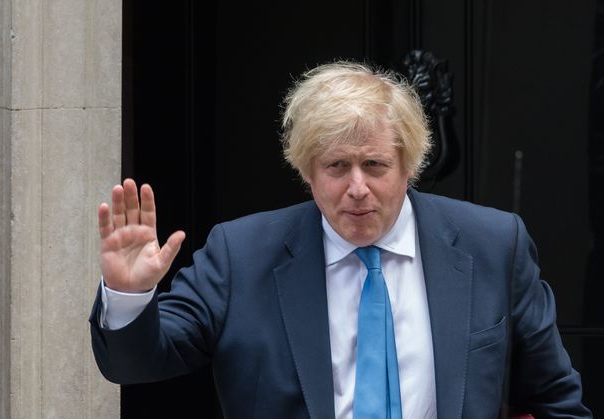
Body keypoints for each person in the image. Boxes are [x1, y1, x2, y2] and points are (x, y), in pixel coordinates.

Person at [90, 61, 591, 418]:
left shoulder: (493, 244)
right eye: (336, 166)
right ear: (307, 171)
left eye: (374, 165)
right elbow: (138, 365)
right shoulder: (240, 254)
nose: (357, 188)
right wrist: (130, 295)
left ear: (409, 167)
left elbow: (556, 400)